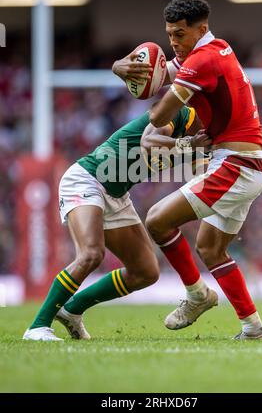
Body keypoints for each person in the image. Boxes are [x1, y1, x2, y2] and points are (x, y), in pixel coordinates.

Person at [114, 0, 262, 340]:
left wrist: (143, 88)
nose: (173, 42)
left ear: (201, 28)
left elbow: (158, 114)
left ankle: (197, 295)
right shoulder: (213, 51)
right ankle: (254, 329)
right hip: (247, 163)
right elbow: (158, 74)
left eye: (179, 35)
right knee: (211, 249)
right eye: (169, 34)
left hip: (236, 164)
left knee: (156, 220)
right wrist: (118, 67)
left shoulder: (203, 61)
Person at [23, 101, 211, 341]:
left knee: (146, 272)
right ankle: (38, 327)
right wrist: (188, 144)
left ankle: (71, 309)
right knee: (91, 254)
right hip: (87, 179)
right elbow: (150, 142)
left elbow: (201, 179)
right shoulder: (179, 112)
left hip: (117, 194)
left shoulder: (204, 140)